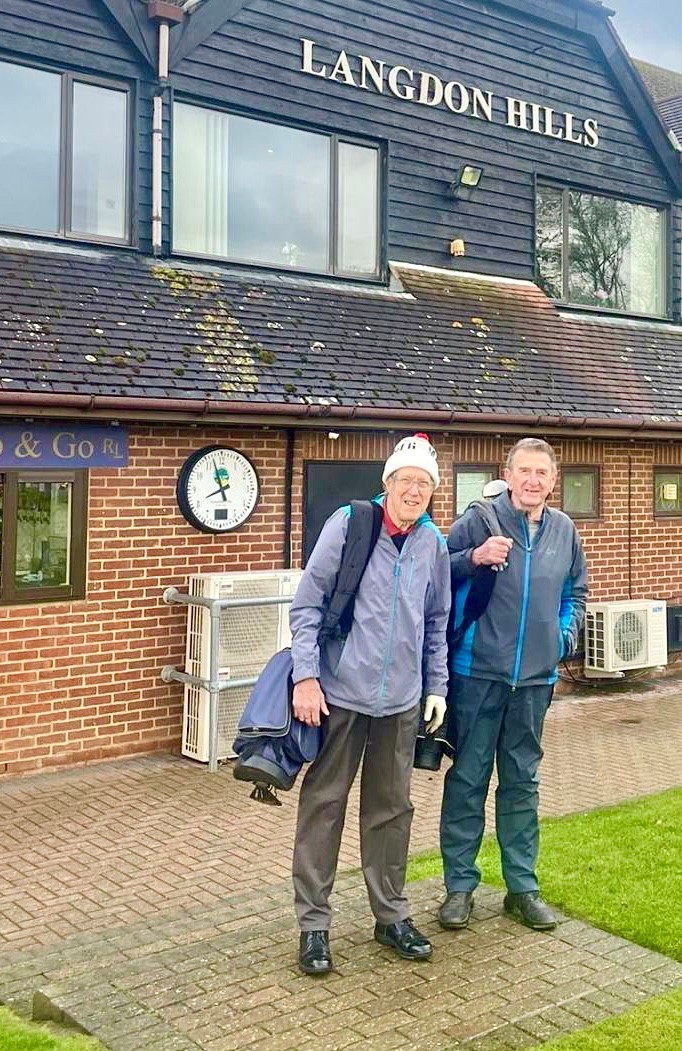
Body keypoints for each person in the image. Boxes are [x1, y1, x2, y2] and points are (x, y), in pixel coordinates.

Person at [289, 433, 451, 975]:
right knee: (324, 805)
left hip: (402, 702)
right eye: (406, 481)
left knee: (391, 811)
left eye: (424, 484)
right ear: (387, 484)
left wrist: (436, 686)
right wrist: (306, 677)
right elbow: (308, 604)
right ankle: (314, 926)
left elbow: (436, 623)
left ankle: (391, 916)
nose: (414, 491)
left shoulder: (432, 543)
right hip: (341, 696)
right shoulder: (350, 525)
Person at [439, 437, 588, 932]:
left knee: (522, 784)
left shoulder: (565, 531)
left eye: (541, 473)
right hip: (477, 673)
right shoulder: (479, 520)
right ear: (508, 473)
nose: (532, 481)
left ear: (553, 480)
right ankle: (460, 888)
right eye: (523, 471)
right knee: (468, 780)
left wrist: (566, 635)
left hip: (535, 680)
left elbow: (576, 592)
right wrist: (475, 557)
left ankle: (522, 888)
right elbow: (436, 570)